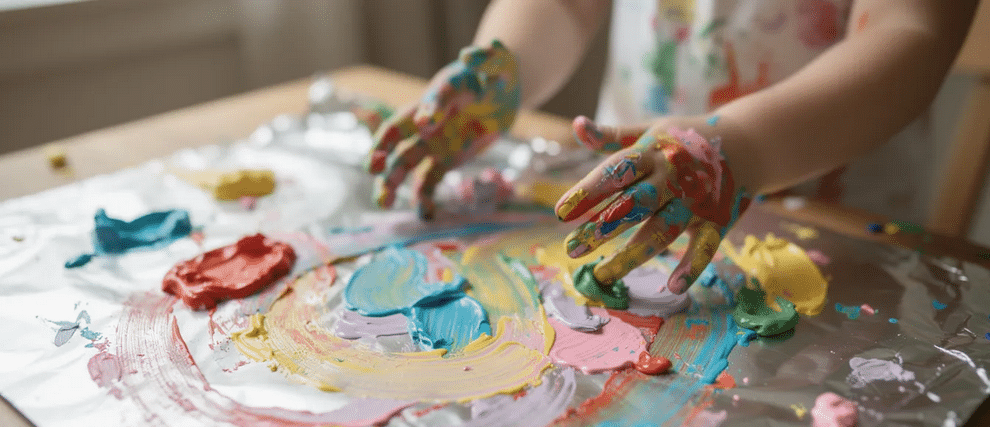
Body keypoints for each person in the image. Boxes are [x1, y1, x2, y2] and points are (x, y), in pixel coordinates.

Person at [365, 0, 978, 295]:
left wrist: (744, 148)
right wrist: (507, 64)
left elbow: (911, 33)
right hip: (630, 206)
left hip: (836, 244)